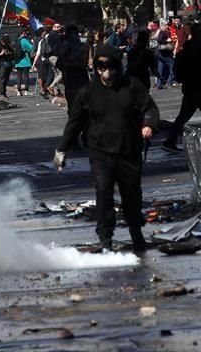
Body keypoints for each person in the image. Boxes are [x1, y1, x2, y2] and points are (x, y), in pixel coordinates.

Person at [53, 46, 159, 252]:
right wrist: (61, 150)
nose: (106, 73)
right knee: (103, 192)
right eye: (101, 67)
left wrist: (148, 124)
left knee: (132, 195)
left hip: (129, 150)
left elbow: (149, 107)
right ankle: (105, 238)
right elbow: (75, 123)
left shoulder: (132, 86)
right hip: (100, 151)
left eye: (110, 67)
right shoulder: (88, 92)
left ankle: (136, 233)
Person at [161, 23, 201, 153]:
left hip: (192, 88)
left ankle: (170, 141)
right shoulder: (196, 48)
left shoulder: (191, 47)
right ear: (197, 33)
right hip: (199, 88)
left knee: (184, 117)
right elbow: (200, 68)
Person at [15, 29, 34, 95]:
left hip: (17, 61)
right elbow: (31, 48)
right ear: (23, 33)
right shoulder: (24, 40)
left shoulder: (16, 40)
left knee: (19, 76)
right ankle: (26, 90)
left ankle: (18, 91)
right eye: (25, 33)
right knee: (26, 76)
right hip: (25, 60)